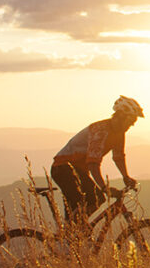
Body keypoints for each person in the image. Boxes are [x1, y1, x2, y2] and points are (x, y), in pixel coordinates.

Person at [50, 95, 143, 225]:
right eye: (131, 120)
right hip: (63, 167)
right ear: (121, 116)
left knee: (93, 202)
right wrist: (104, 188)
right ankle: (72, 232)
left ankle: (74, 233)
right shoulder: (100, 130)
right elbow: (93, 163)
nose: (132, 124)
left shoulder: (119, 133)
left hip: (77, 169)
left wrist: (126, 176)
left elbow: (118, 157)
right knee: (90, 199)